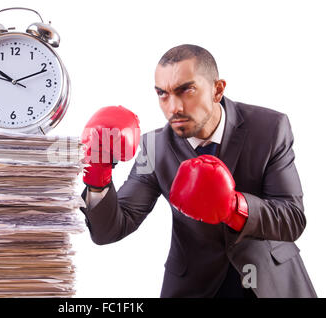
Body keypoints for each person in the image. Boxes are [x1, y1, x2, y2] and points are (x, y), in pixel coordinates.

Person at [79, 44, 317, 298]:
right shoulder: (155, 148)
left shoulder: (269, 128)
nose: (174, 107)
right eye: (163, 94)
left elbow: (292, 219)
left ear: (217, 90)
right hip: (195, 288)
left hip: (271, 283)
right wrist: (98, 176)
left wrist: (235, 208)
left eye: (186, 90)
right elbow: (110, 230)